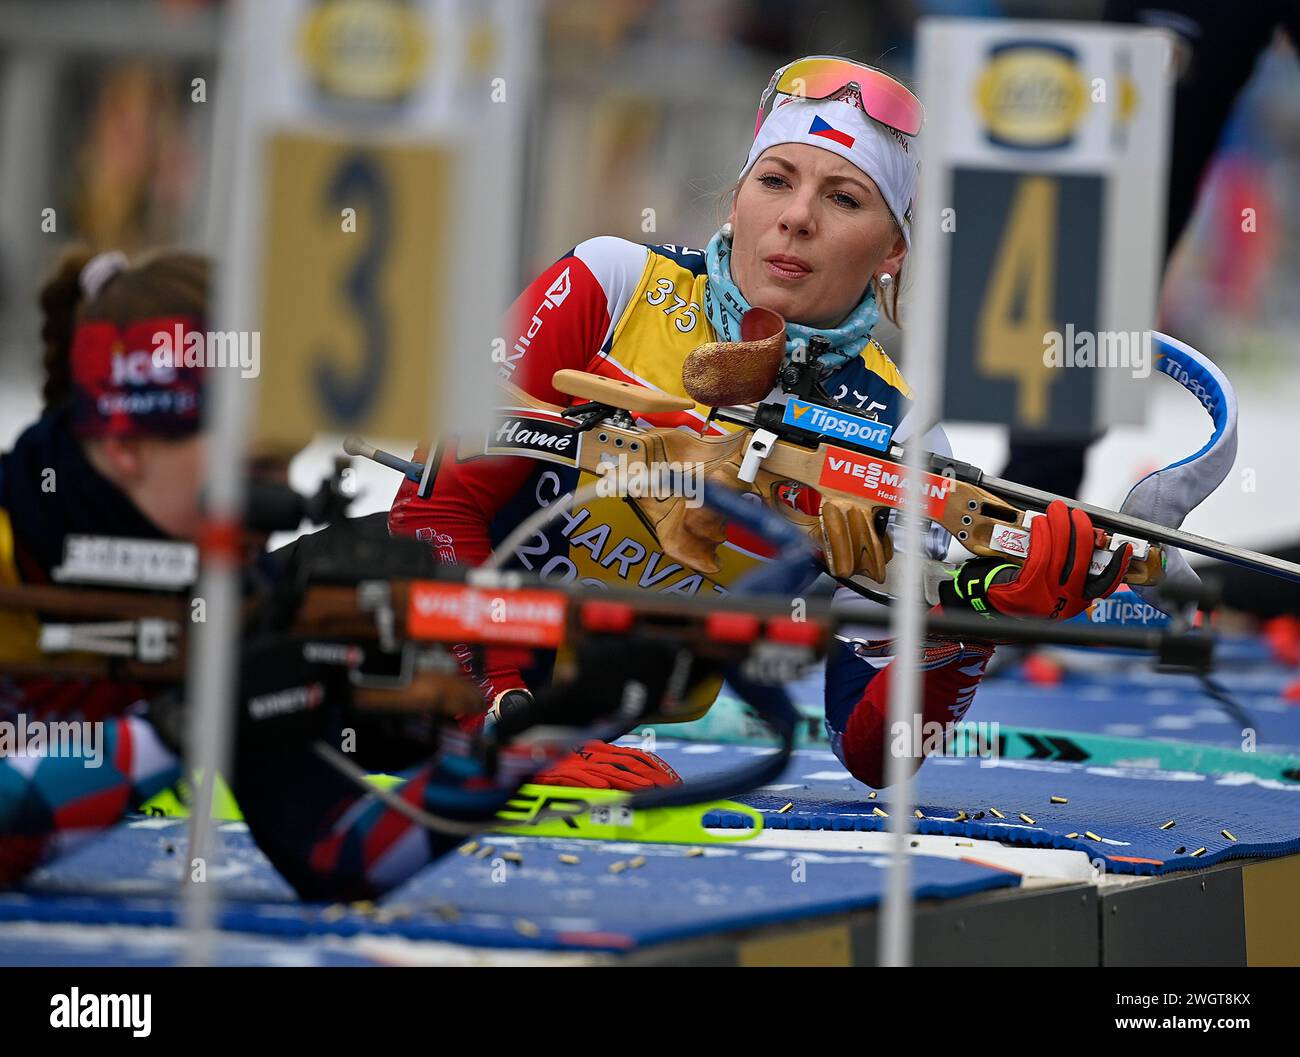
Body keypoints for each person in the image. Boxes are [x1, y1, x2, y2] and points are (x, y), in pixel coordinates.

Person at [390, 55, 1134, 792]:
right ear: (737, 198)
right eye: (775, 180)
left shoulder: (904, 440)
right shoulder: (610, 281)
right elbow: (432, 506)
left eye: (845, 199)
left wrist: (970, 626)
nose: (798, 216)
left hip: (573, 754)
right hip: (402, 672)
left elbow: (876, 754)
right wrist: (507, 715)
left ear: (894, 247)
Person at [0, 248, 568, 900]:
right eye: (257, 469)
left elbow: (344, 850)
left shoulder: (226, 599)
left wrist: (538, 735)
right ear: (127, 444)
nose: (279, 504)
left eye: (287, 467)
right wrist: (179, 726)